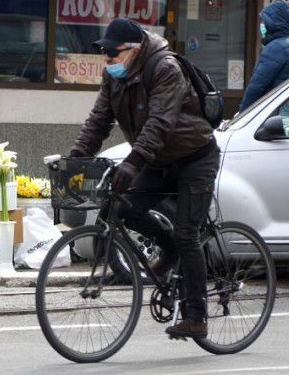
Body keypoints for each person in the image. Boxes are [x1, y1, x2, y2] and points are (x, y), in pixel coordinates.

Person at [67, 17, 219, 340]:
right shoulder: (113, 78)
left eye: (112, 53)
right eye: (103, 54)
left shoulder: (164, 68)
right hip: (160, 159)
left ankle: (196, 316)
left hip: (194, 158)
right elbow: (98, 121)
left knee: (187, 233)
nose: (106, 59)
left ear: (134, 51)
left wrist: (132, 163)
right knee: (120, 209)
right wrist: (77, 156)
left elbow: (160, 124)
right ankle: (169, 248)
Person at [238, 0, 289, 111]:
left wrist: (242, 114)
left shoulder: (276, 48)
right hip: (283, 111)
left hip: (268, 113)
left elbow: (256, 87)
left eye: (264, 21)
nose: (262, 25)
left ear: (273, 23)